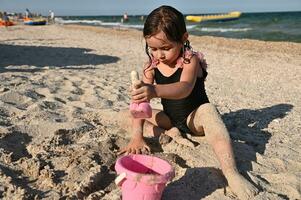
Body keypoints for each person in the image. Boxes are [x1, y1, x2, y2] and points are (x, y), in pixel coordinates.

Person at [117, 5, 258, 200]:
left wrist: (154, 90)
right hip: (170, 119)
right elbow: (142, 105)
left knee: (209, 111)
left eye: (165, 48)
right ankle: (169, 134)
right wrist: (137, 136)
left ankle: (231, 173)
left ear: (183, 39)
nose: (159, 55)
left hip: (195, 119)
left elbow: (184, 88)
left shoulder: (190, 61)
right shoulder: (151, 66)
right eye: (153, 49)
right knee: (128, 114)